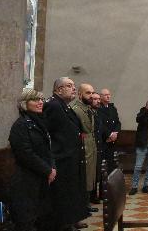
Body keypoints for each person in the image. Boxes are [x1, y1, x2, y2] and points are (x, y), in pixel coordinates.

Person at [44, 77, 87, 231]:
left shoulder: (65, 106)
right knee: (63, 194)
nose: (73, 88)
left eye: (74, 85)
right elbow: (47, 133)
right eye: (69, 86)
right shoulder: (53, 105)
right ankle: (64, 224)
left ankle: (71, 220)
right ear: (58, 90)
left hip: (71, 158)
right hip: (62, 158)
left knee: (71, 192)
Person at [8, 89, 55, 231]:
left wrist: (52, 168)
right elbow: (25, 154)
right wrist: (47, 170)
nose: (40, 102)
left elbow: (48, 148)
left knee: (42, 216)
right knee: (27, 220)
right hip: (27, 180)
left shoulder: (39, 122)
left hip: (41, 177)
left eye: (41, 99)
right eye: (35, 100)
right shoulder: (20, 125)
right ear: (24, 104)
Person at [70, 83, 99, 213]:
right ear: (80, 94)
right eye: (88, 93)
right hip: (82, 147)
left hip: (90, 146)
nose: (92, 95)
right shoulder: (75, 109)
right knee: (83, 178)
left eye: (93, 92)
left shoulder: (88, 108)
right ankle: (81, 206)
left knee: (90, 176)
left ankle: (85, 204)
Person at [98, 88, 121, 172]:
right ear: (100, 97)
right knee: (102, 165)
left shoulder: (112, 108)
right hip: (103, 140)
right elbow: (100, 124)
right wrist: (109, 135)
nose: (108, 96)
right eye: (105, 95)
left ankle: (110, 183)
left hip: (112, 141)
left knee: (111, 164)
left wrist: (115, 133)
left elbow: (118, 122)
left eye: (109, 94)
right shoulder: (98, 108)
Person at [90, 93, 104, 202]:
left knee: (97, 173)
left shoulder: (98, 112)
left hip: (99, 146)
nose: (98, 101)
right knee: (92, 173)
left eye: (99, 99)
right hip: (91, 147)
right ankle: (91, 197)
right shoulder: (89, 113)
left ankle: (94, 195)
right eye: (95, 99)